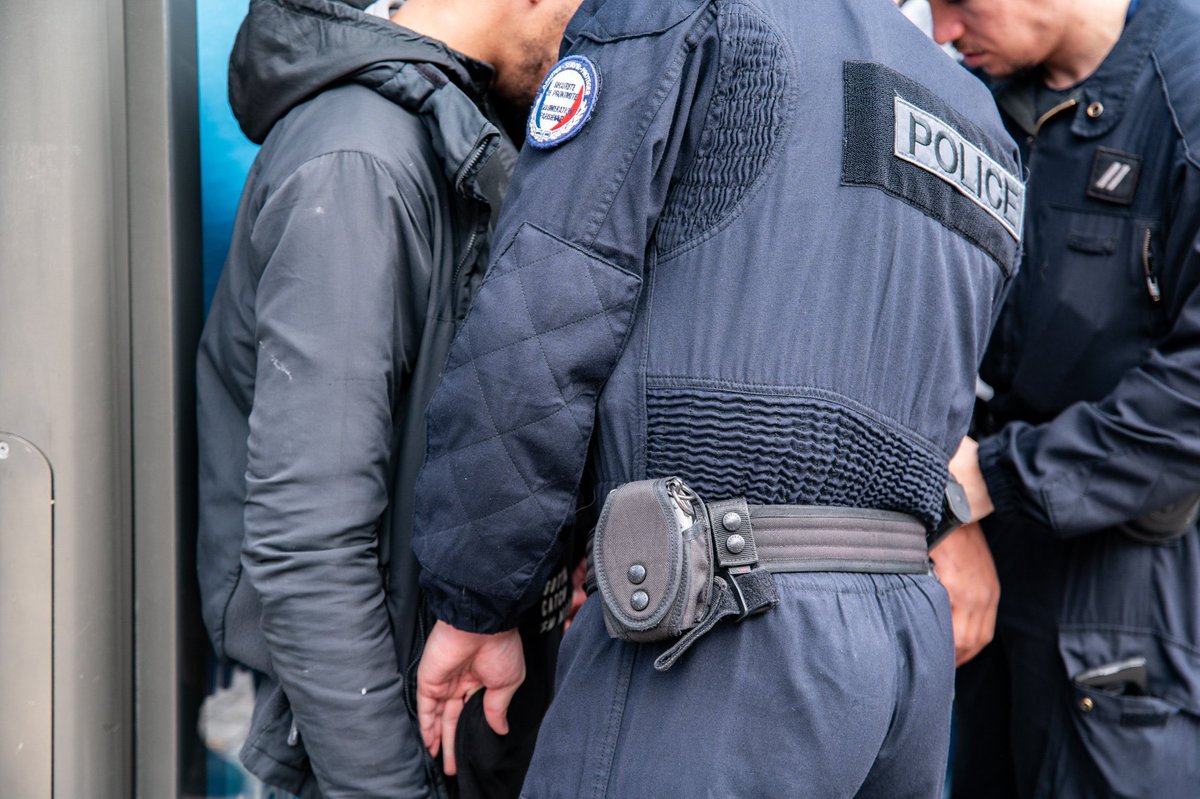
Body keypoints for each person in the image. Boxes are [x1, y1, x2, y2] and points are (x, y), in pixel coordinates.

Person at [409, 0, 1024, 795]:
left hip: (711, 633)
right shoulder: (978, 119)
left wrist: (476, 601)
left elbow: (542, 316)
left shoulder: (691, 13)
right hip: (902, 653)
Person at [195, 0, 582, 795]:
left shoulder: (448, 138)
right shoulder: (361, 158)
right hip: (377, 750)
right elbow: (308, 543)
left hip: (445, 723)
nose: (596, 32)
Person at [925, 0, 1200, 796]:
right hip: (982, 600)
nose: (942, 30)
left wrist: (996, 478)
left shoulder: (1184, 99)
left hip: (1131, 617)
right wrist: (956, 511)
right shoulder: (972, 101)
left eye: (958, 2)